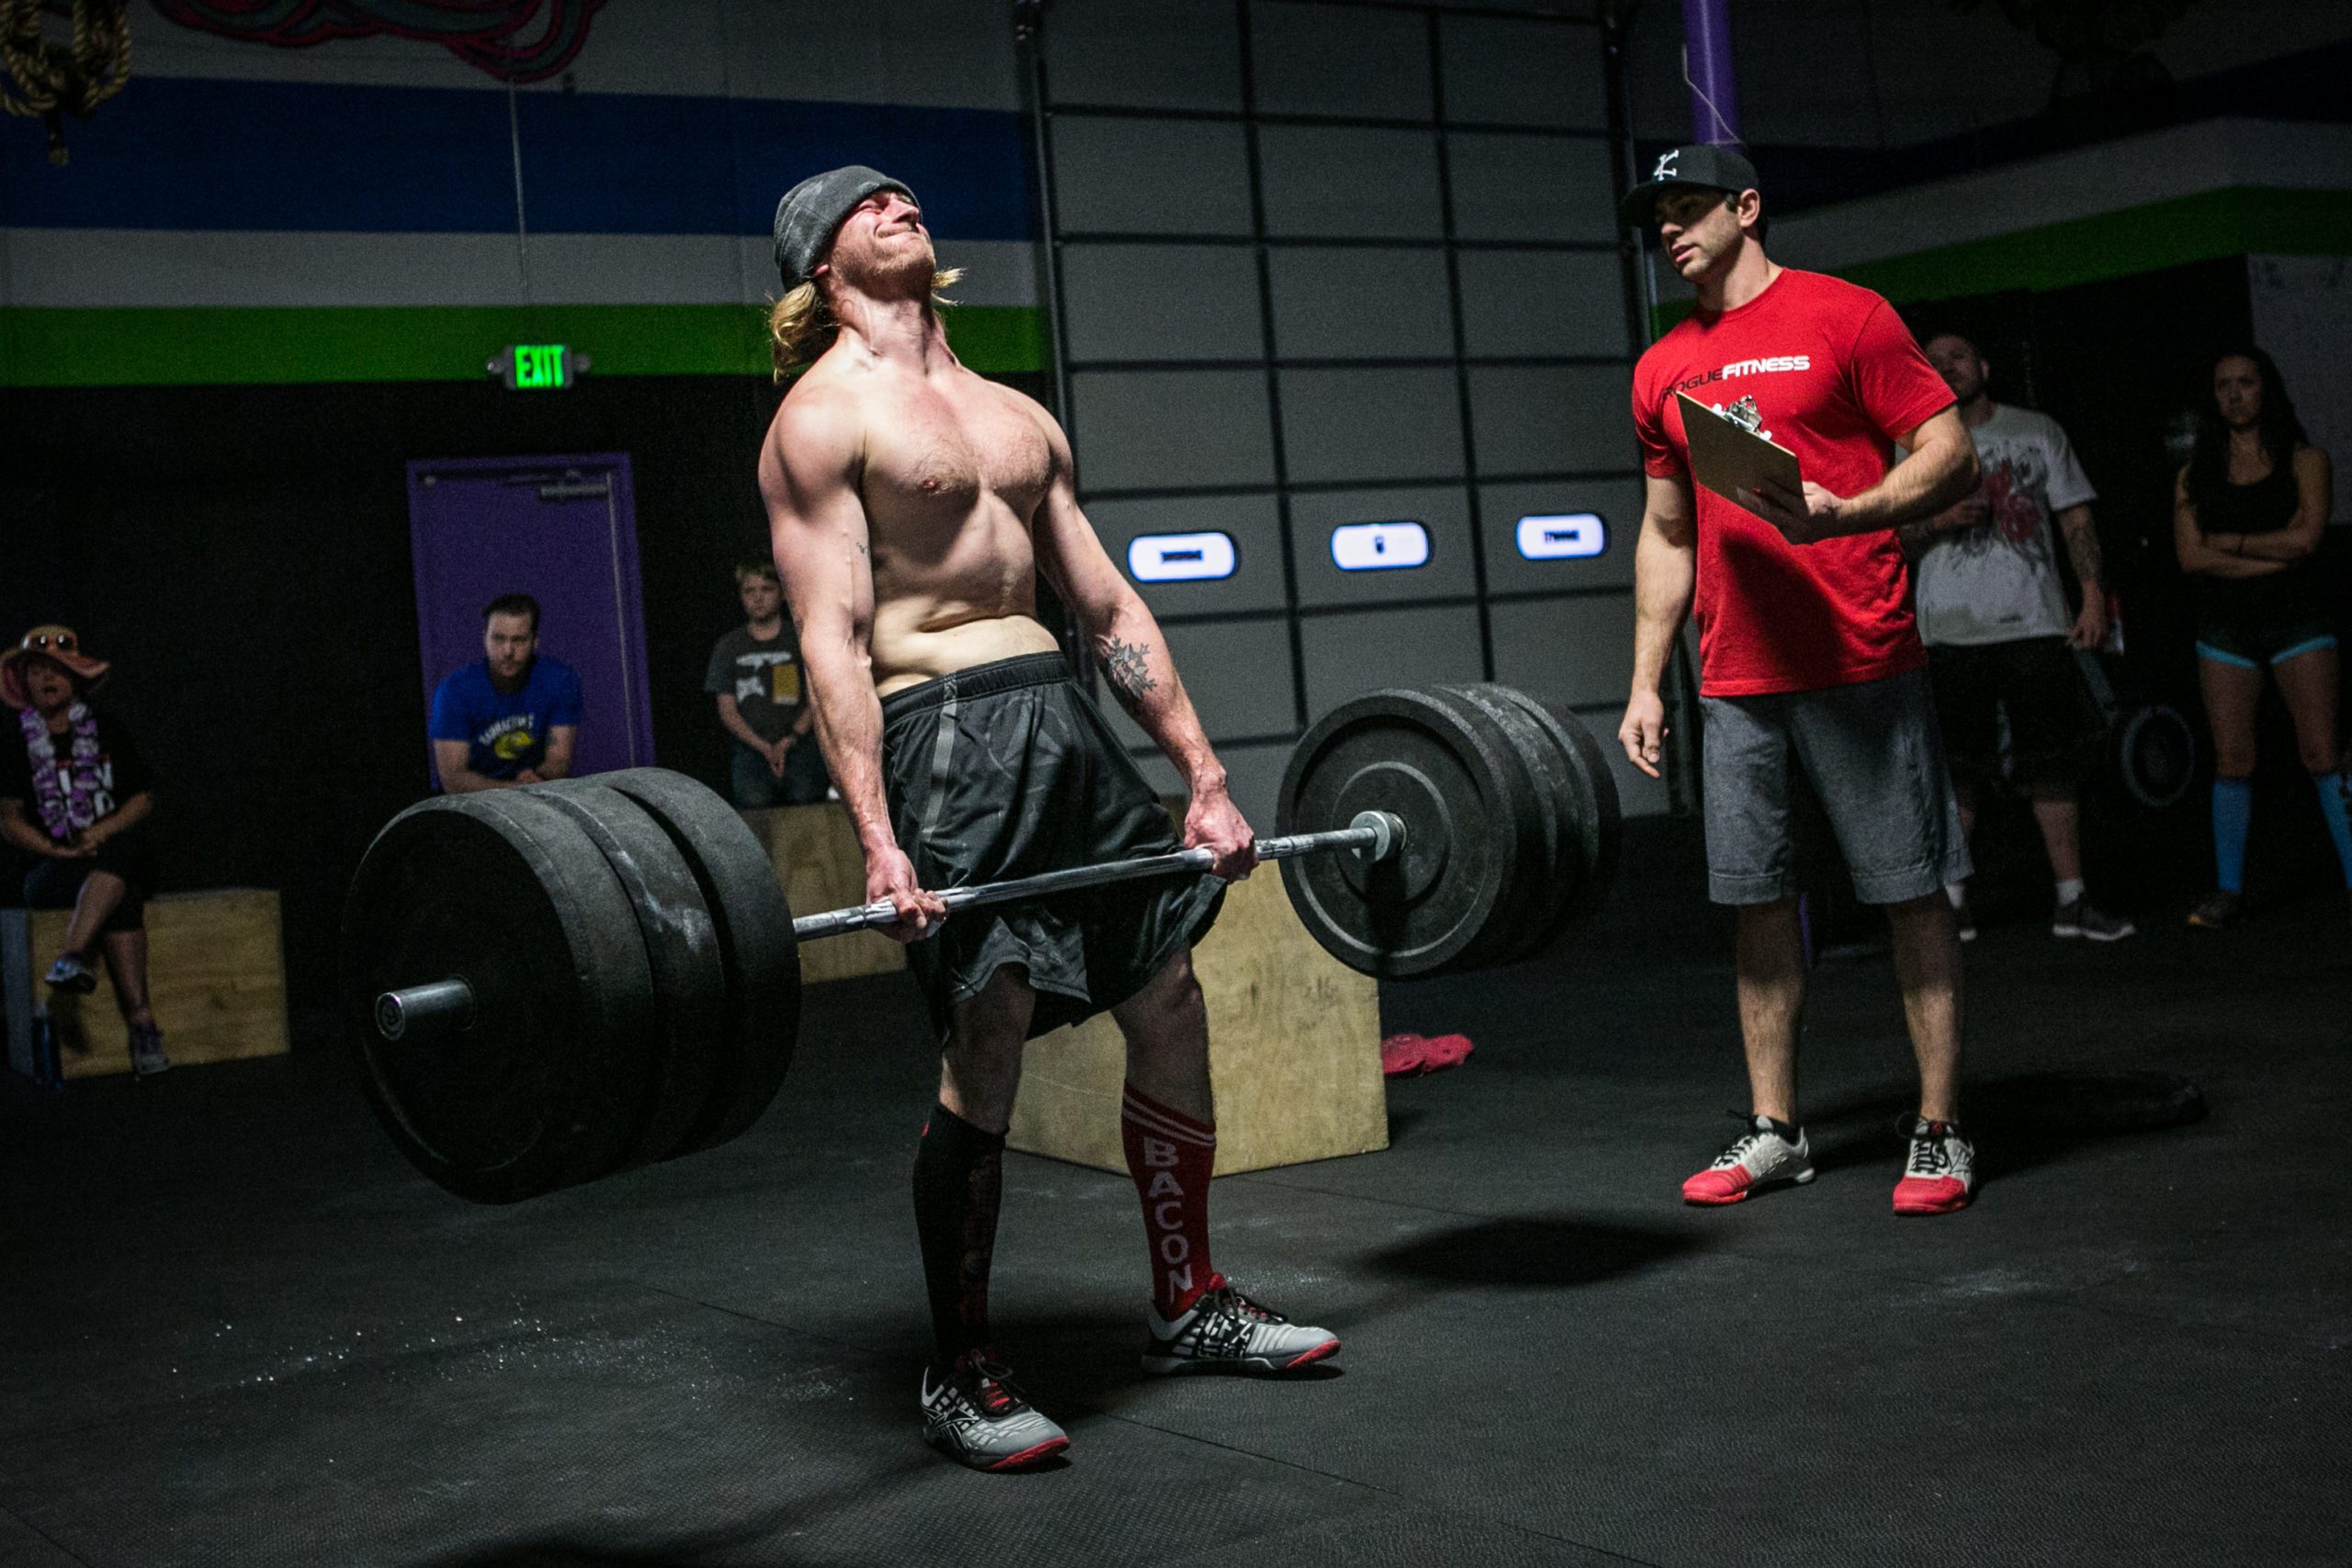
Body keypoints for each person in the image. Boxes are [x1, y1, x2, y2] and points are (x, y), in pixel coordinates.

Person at [759, 164, 1337, 1472]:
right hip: (944, 735)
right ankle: (960, 1367)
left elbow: (1111, 608)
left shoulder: (1013, 414)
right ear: (822, 265)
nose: (903, 203)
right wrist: (878, 834)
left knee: (1169, 992)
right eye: (870, 205)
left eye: (907, 194)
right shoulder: (819, 419)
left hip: (1065, 725)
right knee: (993, 1026)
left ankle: (1189, 1301)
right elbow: (833, 639)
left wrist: (1198, 767)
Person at [1614, 145, 1982, 1218]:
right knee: (1755, 901)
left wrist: (1848, 511)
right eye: (1659, 218)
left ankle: (1939, 1129)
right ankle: (1776, 1130)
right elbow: (1666, 530)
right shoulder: (1661, 366)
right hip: (1736, 676)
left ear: (1747, 207)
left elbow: (1946, 448)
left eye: (1689, 208)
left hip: (1860, 656)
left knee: (1908, 887)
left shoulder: (1846, 316)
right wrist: (1646, 680)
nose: (1671, 230)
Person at [1899, 332, 2134, 942]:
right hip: (1949, 629)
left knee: (2053, 763)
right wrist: (1938, 519)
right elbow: (1888, 537)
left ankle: (2071, 899)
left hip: (2034, 620)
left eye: (1957, 355)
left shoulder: (2037, 430)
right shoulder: (1915, 442)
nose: (1946, 365)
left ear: (1984, 365)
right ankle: (1952, 906)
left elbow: (2075, 517)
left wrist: (2090, 597)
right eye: (1934, 359)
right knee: (1958, 769)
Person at [2174, 347, 2346, 927]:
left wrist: (2235, 543)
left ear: (2266, 388)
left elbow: (2306, 543)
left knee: (2322, 753)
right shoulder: (2194, 474)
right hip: (2226, 631)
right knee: (2232, 759)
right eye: (2224, 385)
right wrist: (2270, 550)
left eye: (2246, 382)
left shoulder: (2306, 460)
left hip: (2300, 622)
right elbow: (2191, 557)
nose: (2235, 394)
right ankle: (2228, 891)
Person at [0, 626, 167, 1077]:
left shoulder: (108, 730)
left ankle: (73, 956)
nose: (48, 678)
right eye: (37, 670)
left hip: (111, 852)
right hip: (53, 869)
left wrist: (99, 833)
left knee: (122, 848)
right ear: (26, 682)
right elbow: (9, 820)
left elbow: (142, 799)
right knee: (123, 897)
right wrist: (56, 850)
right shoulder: (15, 742)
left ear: (76, 678)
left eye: (59, 669)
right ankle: (144, 1029)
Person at [426, 593, 582, 794]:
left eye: (518, 640)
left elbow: (559, 761)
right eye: (498, 639)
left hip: (538, 796)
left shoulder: (560, 681)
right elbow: (453, 780)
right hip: (468, 807)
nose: (508, 651)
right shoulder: (455, 691)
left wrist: (541, 778)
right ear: (484, 638)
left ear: (535, 641)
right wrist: (515, 790)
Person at [705, 558, 826, 807]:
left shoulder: (800, 640)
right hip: (751, 750)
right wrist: (763, 747)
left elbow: (818, 697)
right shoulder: (729, 646)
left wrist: (789, 740)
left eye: (766, 589)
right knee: (753, 804)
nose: (757, 598)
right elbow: (726, 709)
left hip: (799, 745)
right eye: (750, 591)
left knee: (807, 799)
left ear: (782, 594)